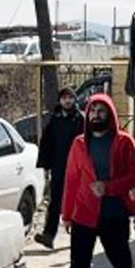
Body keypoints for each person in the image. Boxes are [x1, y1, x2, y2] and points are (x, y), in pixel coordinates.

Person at [57, 94, 135, 268]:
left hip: (114, 214)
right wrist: (67, 214)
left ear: (110, 114)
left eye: (101, 111)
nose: (96, 115)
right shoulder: (79, 144)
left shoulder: (124, 142)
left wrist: (109, 187)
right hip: (84, 215)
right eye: (92, 110)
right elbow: (71, 180)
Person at [34, 87, 85, 249]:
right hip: (59, 168)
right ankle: (49, 235)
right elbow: (47, 144)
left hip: (78, 169)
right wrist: (45, 166)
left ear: (75, 100)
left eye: (70, 98)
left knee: (78, 202)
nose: (67, 101)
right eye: (64, 98)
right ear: (60, 100)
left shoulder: (81, 120)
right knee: (55, 202)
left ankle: (79, 235)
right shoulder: (55, 120)